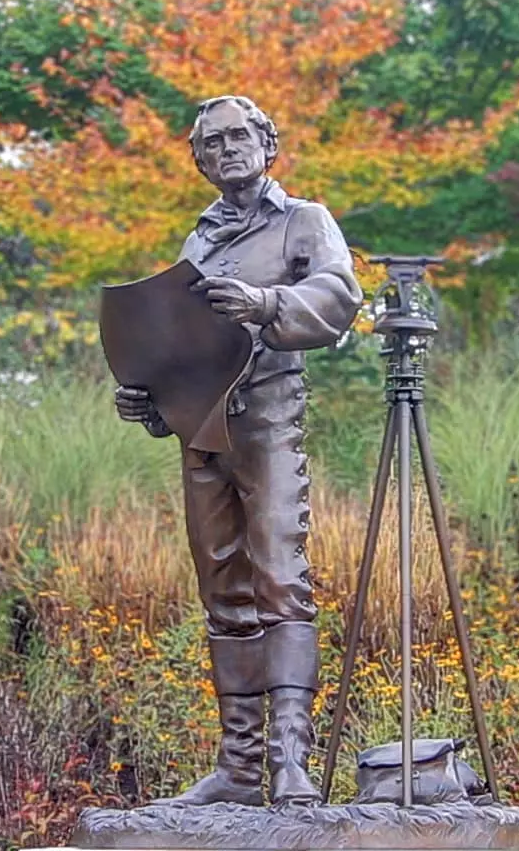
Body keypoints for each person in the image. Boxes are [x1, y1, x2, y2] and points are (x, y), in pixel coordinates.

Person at [113, 95, 363, 806]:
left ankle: (289, 763)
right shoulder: (198, 242)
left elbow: (339, 296)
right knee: (222, 590)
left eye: (237, 136)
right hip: (201, 428)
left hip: (268, 418)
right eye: (210, 144)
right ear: (198, 161)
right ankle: (238, 767)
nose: (225, 150)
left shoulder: (302, 220)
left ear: (267, 143)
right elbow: (180, 342)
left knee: (280, 575)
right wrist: (148, 398)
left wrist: (263, 303)